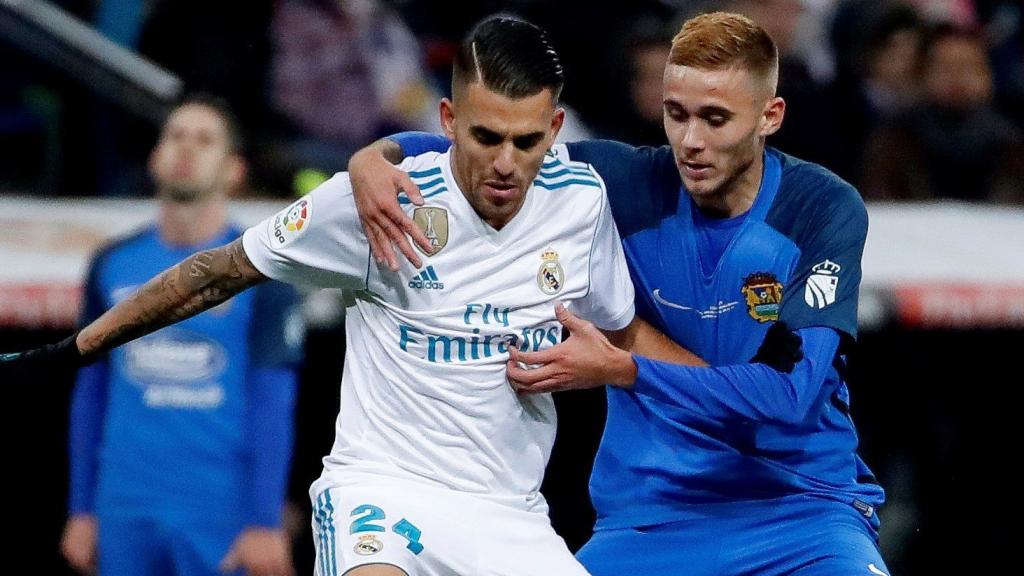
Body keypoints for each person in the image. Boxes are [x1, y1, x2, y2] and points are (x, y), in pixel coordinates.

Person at [1, 16, 719, 576]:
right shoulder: (378, 202)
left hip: (508, 512)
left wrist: (734, 391)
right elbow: (217, 271)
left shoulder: (580, 203)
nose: (505, 162)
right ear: (445, 121)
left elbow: (623, 335)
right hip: (381, 492)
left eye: (526, 141)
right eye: (485, 136)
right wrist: (72, 349)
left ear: (556, 131)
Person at [345, 11, 889, 576]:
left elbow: (792, 394)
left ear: (769, 116)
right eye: (676, 115)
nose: (691, 142)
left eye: (716, 119)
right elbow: (484, 141)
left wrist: (624, 369)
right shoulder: (613, 186)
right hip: (653, 520)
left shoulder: (821, 208)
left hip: (802, 511)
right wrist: (376, 158)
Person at [58, 96, 303, 576]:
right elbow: (90, 393)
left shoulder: (260, 272)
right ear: (154, 158)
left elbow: (273, 400)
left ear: (234, 170)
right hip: (124, 507)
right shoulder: (112, 264)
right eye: (175, 136)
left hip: (219, 510)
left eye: (205, 140)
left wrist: (262, 519)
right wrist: (81, 509)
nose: (186, 149)